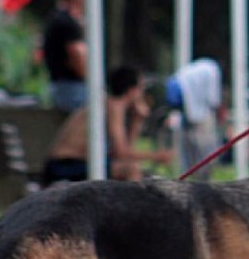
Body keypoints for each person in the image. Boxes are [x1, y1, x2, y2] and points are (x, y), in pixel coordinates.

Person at [42, 64, 173, 185]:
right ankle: (132, 209)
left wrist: (137, 120)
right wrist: (157, 156)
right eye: (141, 89)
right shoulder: (113, 105)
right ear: (132, 90)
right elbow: (121, 153)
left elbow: (124, 151)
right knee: (130, 169)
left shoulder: (111, 104)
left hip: (74, 163)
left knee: (130, 166)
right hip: (65, 165)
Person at [164, 57, 224, 181]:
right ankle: (203, 176)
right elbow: (213, 99)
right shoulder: (213, 70)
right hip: (196, 110)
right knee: (204, 146)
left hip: (186, 106)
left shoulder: (193, 71)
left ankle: (189, 173)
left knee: (187, 145)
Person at [43, 0, 88, 114]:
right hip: (71, 87)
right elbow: (76, 55)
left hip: (63, 86)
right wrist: (92, 80)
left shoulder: (58, 19)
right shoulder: (65, 22)